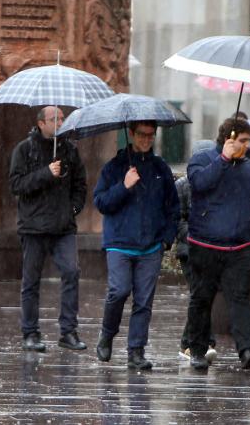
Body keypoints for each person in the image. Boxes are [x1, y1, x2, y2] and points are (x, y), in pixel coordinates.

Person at [93, 120, 179, 370]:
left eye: (151, 135)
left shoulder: (160, 168)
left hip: (151, 245)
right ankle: (107, 333)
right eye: (142, 135)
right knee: (118, 290)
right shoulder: (114, 167)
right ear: (131, 134)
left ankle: (136, 350)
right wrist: (124, 186)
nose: (146, 140)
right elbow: (101, 202)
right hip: (119, 242)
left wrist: (166, 239)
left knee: (144, 300)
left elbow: (173, 207)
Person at [186, 117, 250, 370]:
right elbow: (199, 184)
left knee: (240, 298)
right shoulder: (203, 159)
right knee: (202, 298)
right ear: (229, 138)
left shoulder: (248, 167)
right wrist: (222, 160)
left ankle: (246, 348)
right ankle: (197, 349)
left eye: (249, 142)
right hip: (205, 244)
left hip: (239, 247)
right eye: (243, 141)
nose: (246, 146)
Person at [9, 106, 88, 353]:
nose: (60, 122)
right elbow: (16, 184)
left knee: (71, 273)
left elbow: (80, 185)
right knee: (31, 281)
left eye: (62, 118)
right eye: (55, 119)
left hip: (63, 227)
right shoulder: (24, 149)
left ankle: (68, 331)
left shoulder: (70, 150)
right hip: (33, 227)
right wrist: (46, 173)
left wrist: (72, 210)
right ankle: (30, 333)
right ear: (41, 123)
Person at [176, 140, 217, 363]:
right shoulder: (182, 185)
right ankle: (200, 342)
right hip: (189, 249)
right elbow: (176, 217)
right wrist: (192, 234)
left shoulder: (217, 183)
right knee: (200, 293)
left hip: (211, 247)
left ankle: (190, 343)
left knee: (202, 295)